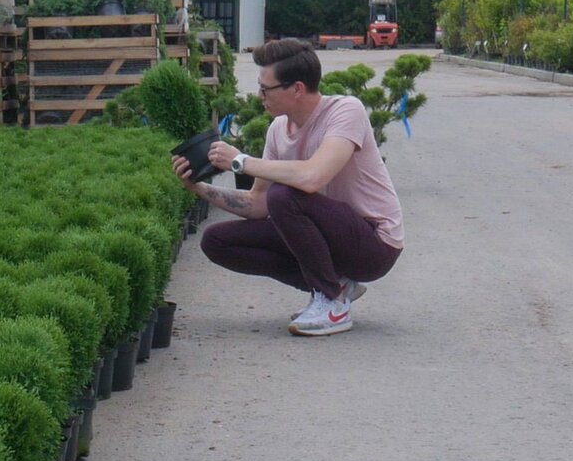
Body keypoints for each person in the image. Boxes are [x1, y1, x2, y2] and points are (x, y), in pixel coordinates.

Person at [171, 38, 404, 336]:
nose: (259, 96)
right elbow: (257, 204)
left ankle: (332, 302)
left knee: (285, 195)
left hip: (374, 244)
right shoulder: (278, 130)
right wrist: (199, 189)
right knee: (217, 241)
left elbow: (313, 177)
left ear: (296, 89)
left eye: (265, 89)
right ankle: (338, 285)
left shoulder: (345, 112)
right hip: (329, 236)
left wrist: (240, 160)